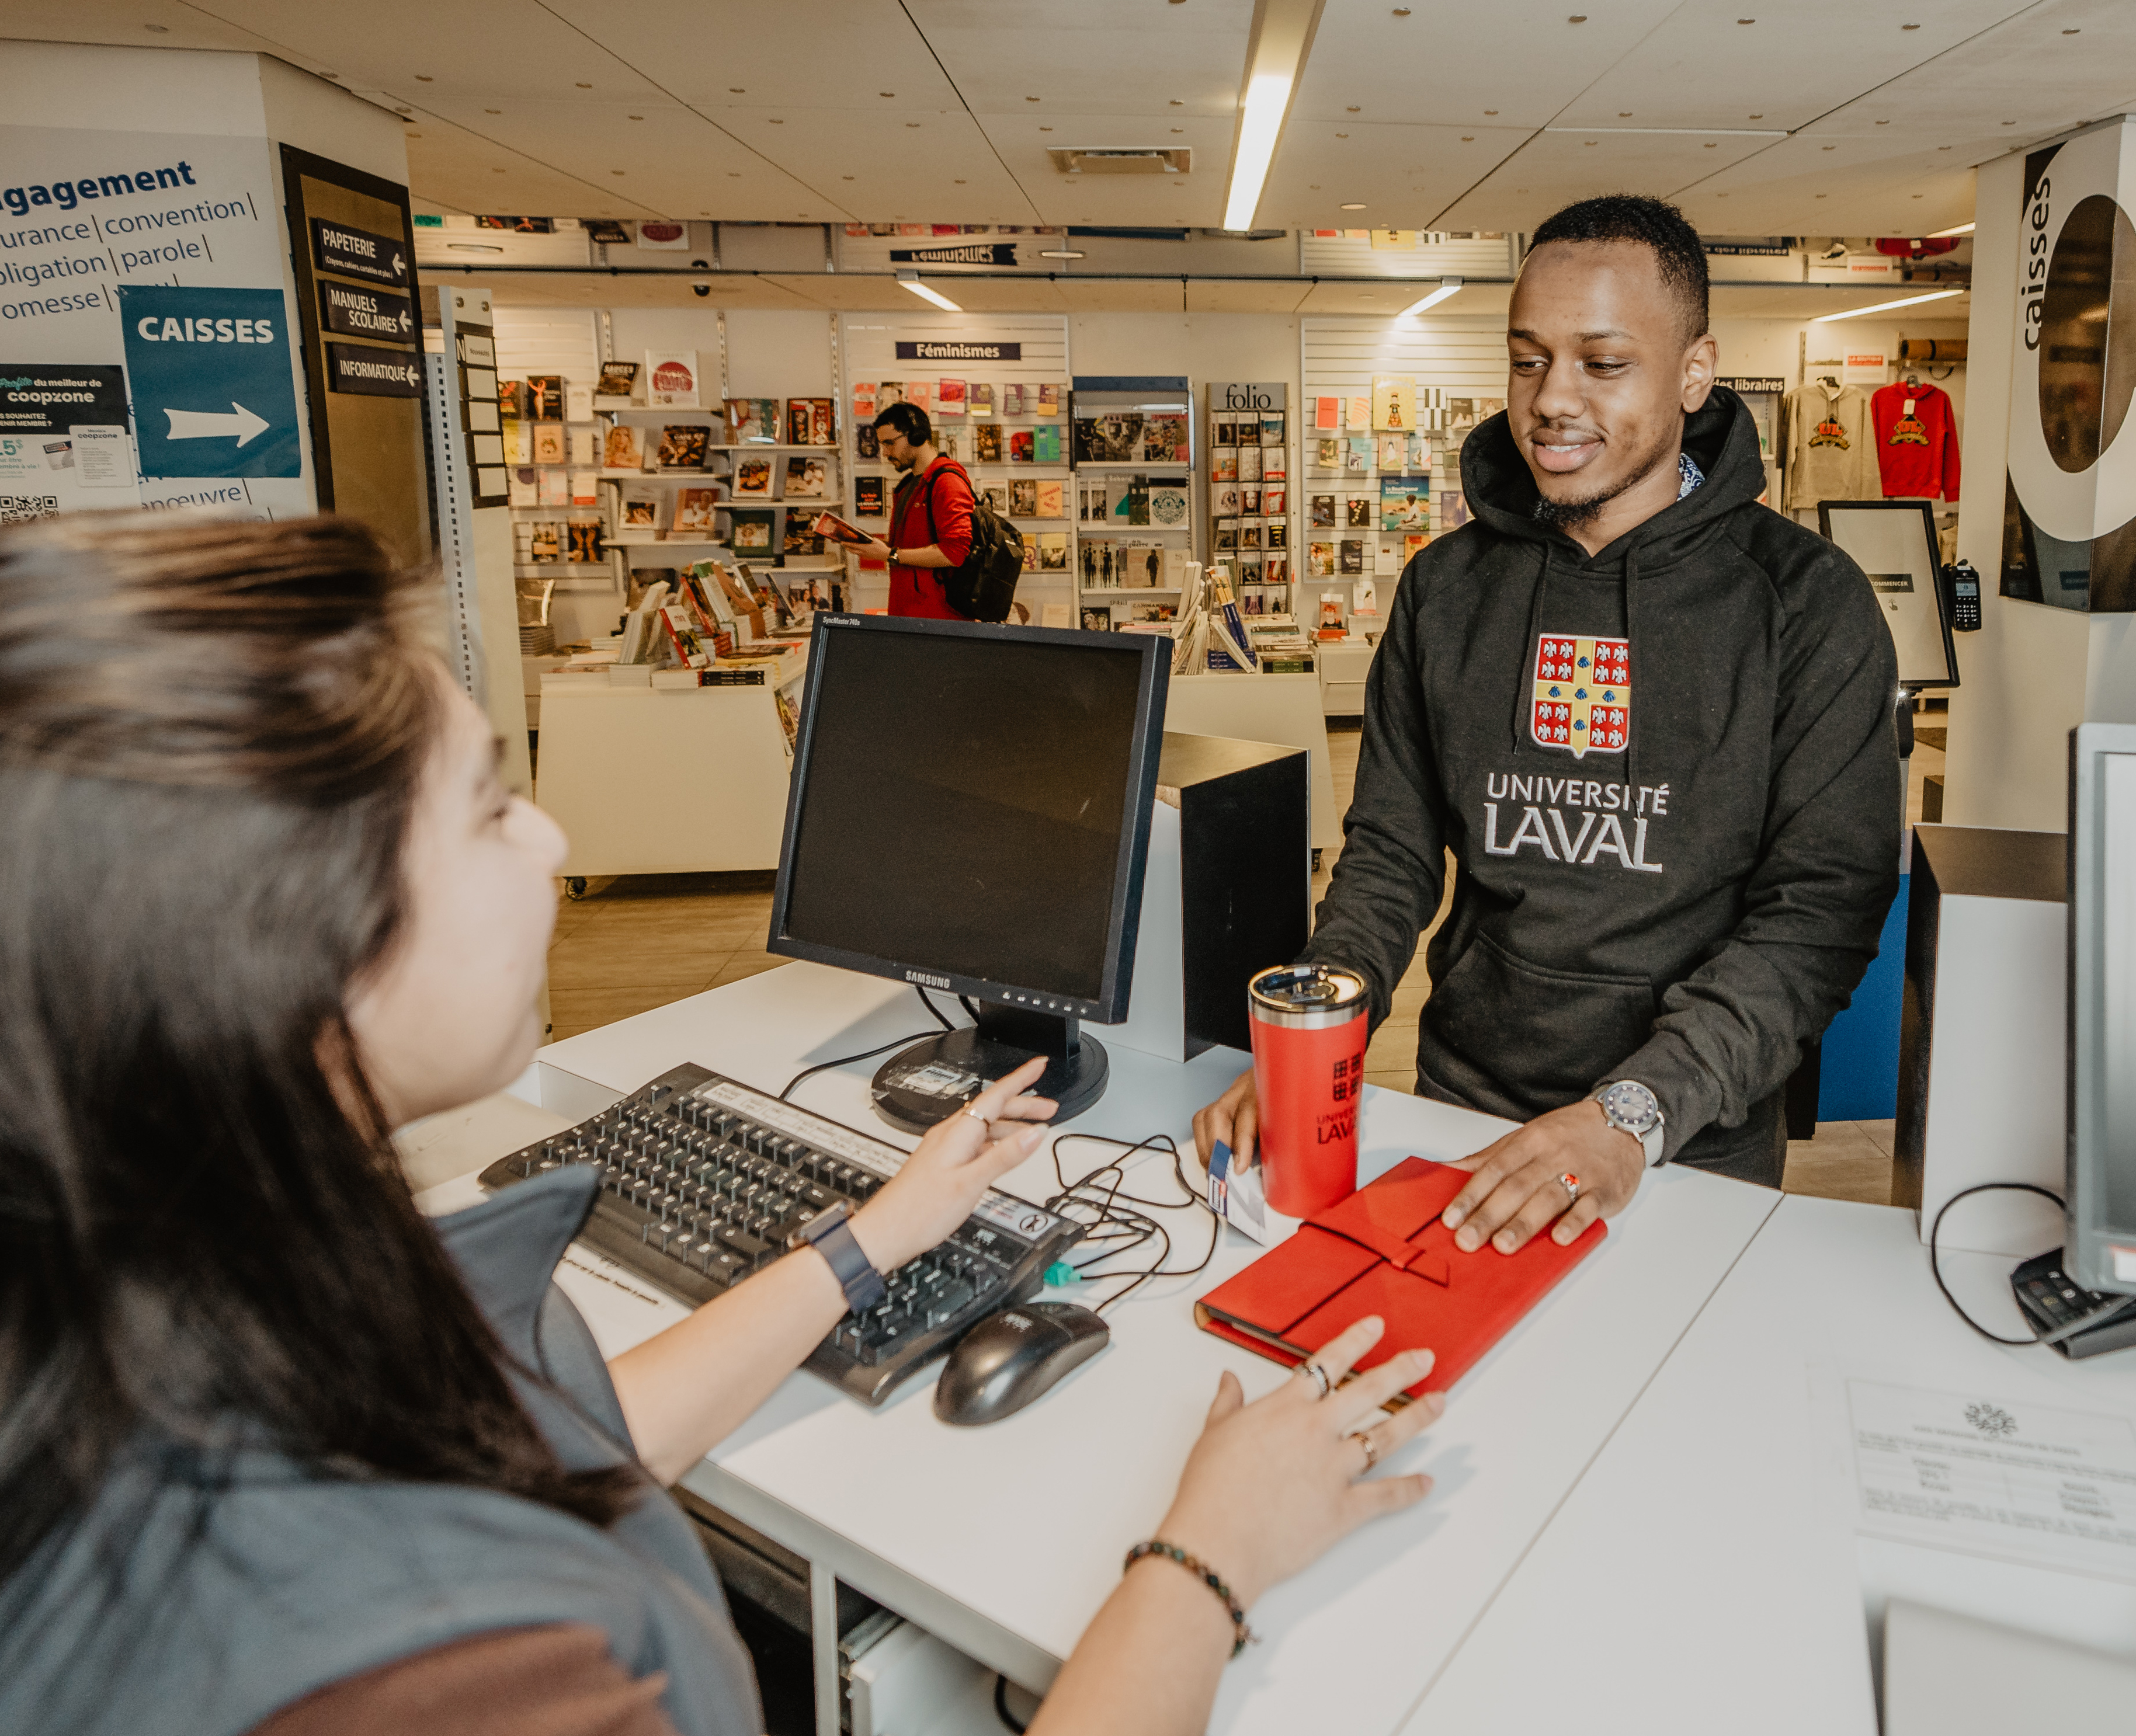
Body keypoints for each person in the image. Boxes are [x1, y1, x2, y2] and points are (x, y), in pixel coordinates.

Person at [0, 512, 1443, 1736]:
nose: (554, 835)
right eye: (493, 805)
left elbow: (548, 1445)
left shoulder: (198, 1306)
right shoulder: (431, 1674)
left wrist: (866, 1242)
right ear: (293, 945)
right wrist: (1207, 1557)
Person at [1196, 193, 1900, 1255]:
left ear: (1694, 372)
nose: (1550, 400)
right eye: (1527, 359)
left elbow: (1816, 914)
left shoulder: (1806, 603)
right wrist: (1316, 1036)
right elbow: (1388, 856)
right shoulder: (1444, 589)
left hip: (1683, 1140)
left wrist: (1634, 1111)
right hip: (1461, 1109)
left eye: (1601, 362)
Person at [839, 399, 976, 618]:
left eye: (890, 443)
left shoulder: (946, 481)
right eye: (882, 444)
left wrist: (890, 554)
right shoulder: (910, 484)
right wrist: (875, 547)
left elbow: (955, 553)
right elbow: (913, 546)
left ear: (915, 436)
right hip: (912, 613)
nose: (884, 452)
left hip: (939, 618)